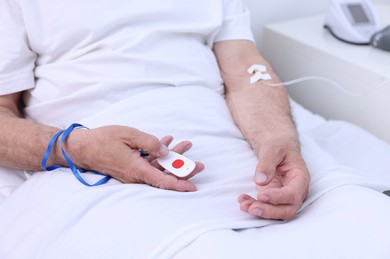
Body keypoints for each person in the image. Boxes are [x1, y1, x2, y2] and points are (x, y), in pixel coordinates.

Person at [0, 0, 309, 222]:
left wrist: (279, 139)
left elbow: (246, 69)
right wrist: (77, 147)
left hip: (225, 136)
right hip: (91, 158)